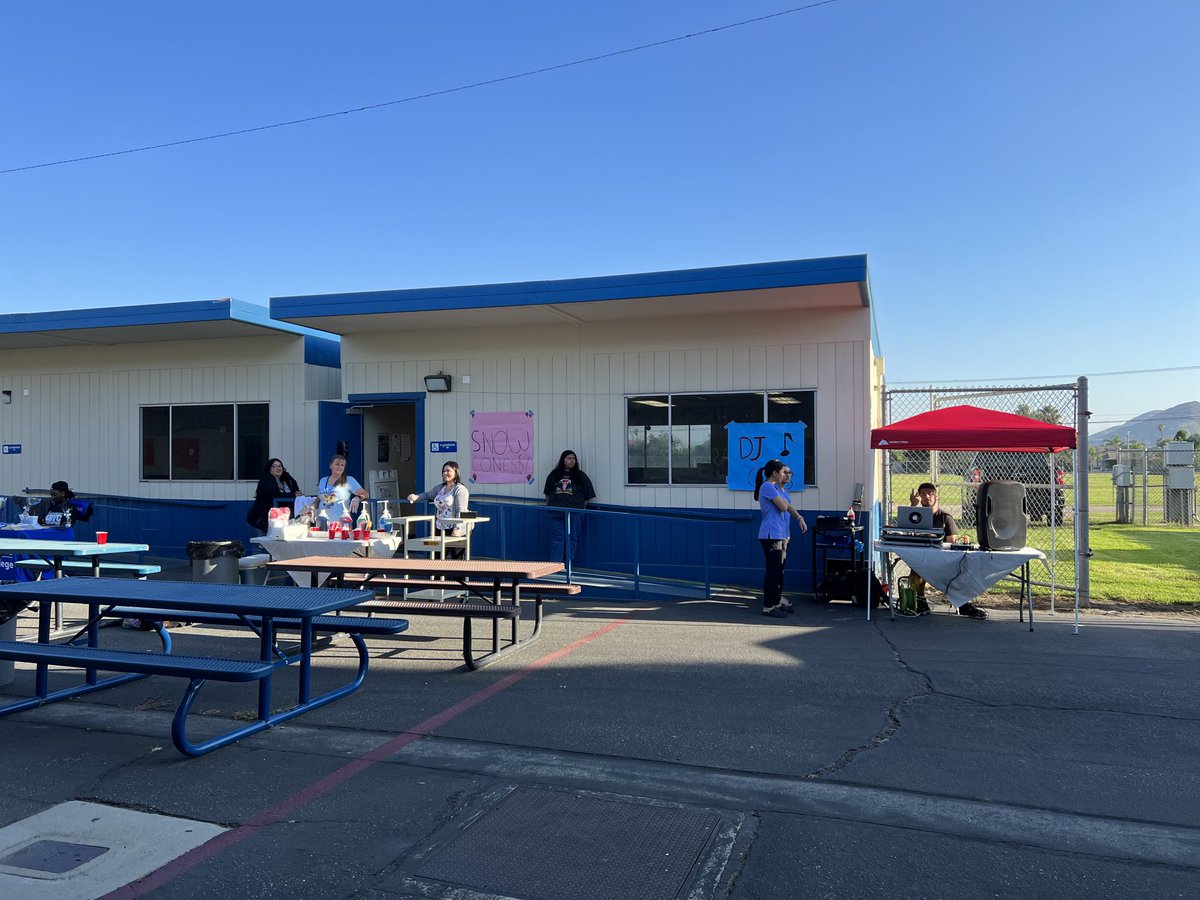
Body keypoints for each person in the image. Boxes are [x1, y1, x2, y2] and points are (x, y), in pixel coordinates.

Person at [907, 482, 987, 619]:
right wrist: (914, 507)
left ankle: (963, 605)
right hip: (922, 559)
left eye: (930, 493)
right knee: (915, 572)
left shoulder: (945, 517)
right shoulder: (915, 516)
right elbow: (906, 532)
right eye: (923, 494)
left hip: (943, 560)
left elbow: (952, 543)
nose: (927, 496)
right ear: (918, 497)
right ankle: (921, 602)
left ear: (936, 496)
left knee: (957, 574)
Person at [754, 459, 807, 618]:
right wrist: (784, 502)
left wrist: (799, 518)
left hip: (781, 534)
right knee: (773, 571)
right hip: (771, 535)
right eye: (784, 472)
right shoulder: (768, 487)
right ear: (775, 473)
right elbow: (783, 507)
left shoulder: (777, 489)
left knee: (779, 571)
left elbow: (788, 506)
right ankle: (768, 606)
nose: (786, 475)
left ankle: (776, 601)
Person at [407, 460, 470, 559]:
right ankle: (437, 574)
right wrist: (416, 497)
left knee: (456, 559)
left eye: (448, 471)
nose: (445, 473)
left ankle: (458, 575)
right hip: (440, 526)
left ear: (456, 472)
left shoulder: (460, 489)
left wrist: (457, 528)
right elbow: (428, 495)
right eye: (443, 471)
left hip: (456, 528)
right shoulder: (441, 488)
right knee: (437, 556)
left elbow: (461, 510)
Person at [543, 449, 596, 564]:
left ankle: (568, 565)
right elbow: (547, 492)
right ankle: (555, 565)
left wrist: (580, 507)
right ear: (563, 460)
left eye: (573, 458)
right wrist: (552, 505)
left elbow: (588, 496)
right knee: (557, 538)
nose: (572, 461)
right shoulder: (554, 474)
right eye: (568, 458)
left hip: (575, 512)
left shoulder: (580, 476)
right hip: (556, 512)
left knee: (572, 538)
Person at [246, 458, 301, 534]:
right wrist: (293, 495)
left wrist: (288, 477)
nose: (277, 468)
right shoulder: (266, 480)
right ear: (269, 469)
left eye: (279, 466)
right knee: (263, 544)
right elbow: (275, 495)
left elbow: (296, 492)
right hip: (260, 520)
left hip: (277, 521)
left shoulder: (286, 480)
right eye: (274, 466)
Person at [315, 454, 369, 524]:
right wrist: (311, 507)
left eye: (342, 465)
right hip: (322, 521)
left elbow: (365, 494)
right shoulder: (323, 480)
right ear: (330, 466)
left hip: (341, 523)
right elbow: (318, 499)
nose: (339, 467)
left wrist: (357, 497)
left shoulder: (349, 480)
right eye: (337, 464)